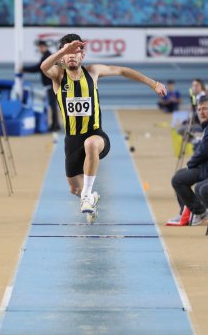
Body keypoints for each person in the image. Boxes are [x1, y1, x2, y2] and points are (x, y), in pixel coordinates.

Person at [40, 33, 167, 219]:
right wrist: (65, 50)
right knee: (74, 188)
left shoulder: (93, 72)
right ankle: (89, 195)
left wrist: (153, 84)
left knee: (90, 145)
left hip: (95, 135)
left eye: (76, 52)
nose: (72, 56)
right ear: (62, 56)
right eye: (67, 53)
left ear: (82, 55)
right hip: (72, 139)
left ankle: (87, 195)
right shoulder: (58, 76)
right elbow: (44, 66)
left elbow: (123, 71)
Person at [169, 96, 208, 226]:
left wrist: (191, 164)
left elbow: (203, 151)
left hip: (204, 168)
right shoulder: (205, 126)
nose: (201, 112)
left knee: (179, 180)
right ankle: (185, 211)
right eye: (199, 109)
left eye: (205, 109)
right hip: (203, 166)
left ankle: (199, 211)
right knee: (179, 175)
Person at [22, 40, 60, 132]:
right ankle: (55, 124)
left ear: (45, 47)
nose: (40, 49)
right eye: (39, 47)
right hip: (50, 84)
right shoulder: (47, 56)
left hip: (51, 84)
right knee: (52, 105)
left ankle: (55, 125)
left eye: (41, 47)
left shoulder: (47, 56)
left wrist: (24, 69)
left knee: (53, 105)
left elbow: (38, 68)